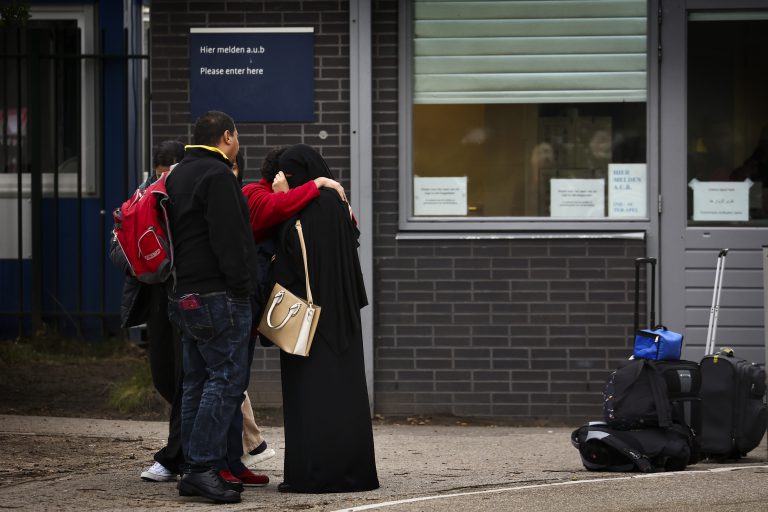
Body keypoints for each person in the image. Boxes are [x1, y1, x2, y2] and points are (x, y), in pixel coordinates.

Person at [261, 144, 379, 493]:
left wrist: (285, 201)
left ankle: (311, 474)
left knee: (309, 400)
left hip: (309, 322)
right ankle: (354, 473)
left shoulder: (304, 206)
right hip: (342, 313)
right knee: (347, 398)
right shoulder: (337, 203)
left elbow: (293, 255)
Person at [164, 111, 261, 504]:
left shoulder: (178, 174)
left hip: (184, 294)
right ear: (227, 137)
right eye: (236, 136)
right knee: (225, 380)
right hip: (219, 296)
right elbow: (230, 241)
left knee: (196, 381)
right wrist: (244, 289)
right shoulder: (218, 175)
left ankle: (192, 467)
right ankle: (203, 469)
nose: (237, 142)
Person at [111, 140, 186, 483]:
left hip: (185, 294)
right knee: (165, 376)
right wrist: (141, 263)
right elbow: (117, 245)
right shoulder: (143, 196)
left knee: (190, 380)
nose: (163, 180)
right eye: (159, 175)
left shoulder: (191, 191)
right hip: (157, 293)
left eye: (168, 174)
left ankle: (176, 455)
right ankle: (235, 442)